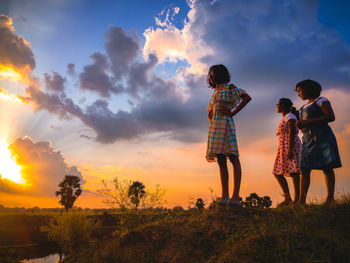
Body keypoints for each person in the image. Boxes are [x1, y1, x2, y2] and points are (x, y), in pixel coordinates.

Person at [206, 64, 251, 206]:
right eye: (209, 75)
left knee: (232, 157)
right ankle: (224, 197)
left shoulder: (229, 87)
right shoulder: (215, 92)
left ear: (219, 74)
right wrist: (211, 115)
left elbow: (246, 97)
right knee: (220, 160)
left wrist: (232, 112)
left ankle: (235, 197)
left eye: (212, 74)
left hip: (226, 124)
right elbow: (211, 109)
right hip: (215, 127)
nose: (210, 77)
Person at [295, 79, 342, 205]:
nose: (298, 94)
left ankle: (330, 198)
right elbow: (304, 122)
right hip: (308, 139)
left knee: (327, 166)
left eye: (300, 90)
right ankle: (301, 200)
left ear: (309, 89)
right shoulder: (302, 108)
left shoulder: (321, 101)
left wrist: (306, 122)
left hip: (322, 137)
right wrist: (300, 124)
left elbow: (330, 117)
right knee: (304, 168)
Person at [273, 98, 302, 206]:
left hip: (291, 146)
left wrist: (290, 149)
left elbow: (292, 132)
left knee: (295, 172)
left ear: (283, 106)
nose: (277, 106)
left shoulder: (290, 117)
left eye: (278, 104)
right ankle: (288, 198)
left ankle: (297, 199)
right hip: (283, 147)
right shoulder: (286, 117)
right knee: (278, 172)